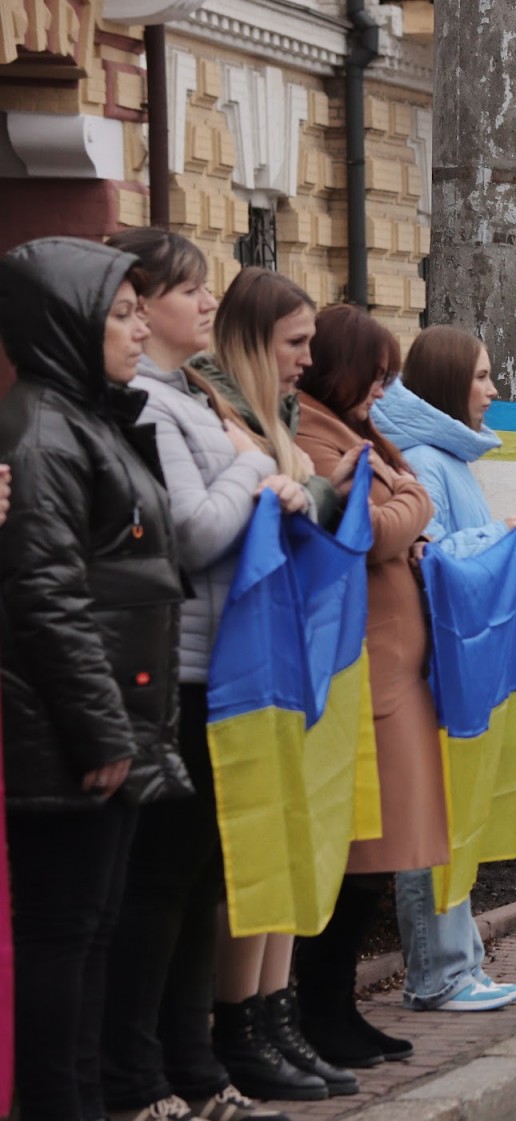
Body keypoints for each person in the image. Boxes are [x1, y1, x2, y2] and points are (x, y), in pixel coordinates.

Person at [101, 230, 304, 1121]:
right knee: (166, 884)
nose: (206, 303)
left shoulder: (193, 395)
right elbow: (191, 531)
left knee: (206, 880)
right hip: (180, 671)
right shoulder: (151, 404)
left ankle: (194, 1063)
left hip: (229, 669)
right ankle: (141, 1071)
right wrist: (263, 471)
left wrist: (284, 489)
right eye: (190, 290)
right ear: (141, 303)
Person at [0, 237, 196, 1121]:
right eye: (118, 313)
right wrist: (104, 732)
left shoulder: (89, 417)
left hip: (114, 723)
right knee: (63, 942)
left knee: (92, 935)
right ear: (67, 323)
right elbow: (48, 597)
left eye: (135, 310)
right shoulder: (42, 430)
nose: (135, 327)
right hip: (69, 739)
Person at [191, 269, 362, 1100]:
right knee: (245, 854)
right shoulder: (211, 405)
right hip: (235, 659)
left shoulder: (275, 413)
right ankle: (242, 1024)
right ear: (256, 339)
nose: (307, 360)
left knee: (291, 839)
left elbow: (322, 490)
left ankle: (273, 1015)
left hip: (285, 656)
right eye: (296, 344)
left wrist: (314, 488)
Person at [290, 306, 457, 1068]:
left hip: (391, 668)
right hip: (363, 669)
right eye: (377, 371)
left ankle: (335, 1010)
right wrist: (407, 511)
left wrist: (404, 505)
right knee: (356, 853)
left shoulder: (356, 431)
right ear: (339, 366)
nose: (385, 387)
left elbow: (405, 501)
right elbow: (375, 528)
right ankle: (319, 1011)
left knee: (377, 853)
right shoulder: (313, 432)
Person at [370, 325, 516, 1013]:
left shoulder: (445, 459)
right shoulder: (426, 461)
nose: (494, 389)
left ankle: (458, 961)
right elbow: (431, 561)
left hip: (453, 668)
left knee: (451, 814)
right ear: (446, 383)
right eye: (481, 376)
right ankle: (437, 970)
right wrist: (502, 538)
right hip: (434, 670)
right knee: (430, 824)